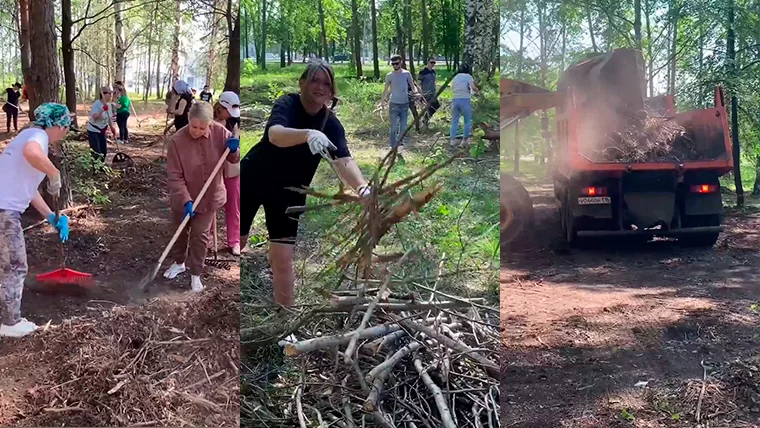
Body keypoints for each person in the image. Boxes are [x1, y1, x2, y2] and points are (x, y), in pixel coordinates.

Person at [240, 60, 371, 307]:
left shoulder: (330, 123)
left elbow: (343, 160)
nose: (320, 87)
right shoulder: (287, 104)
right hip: (253, 180)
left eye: (326, 83)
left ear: (332, 92)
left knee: (283, 259)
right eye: (314, 80)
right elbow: (275, 135)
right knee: (240, 239)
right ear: (302, 83)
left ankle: (285, 321)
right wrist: (307, 134)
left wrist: (362, 187)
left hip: (289, 194)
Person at [0, 103, 72, 337]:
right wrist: (54, 172)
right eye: (66, 128)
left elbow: (28, 189)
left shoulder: (26, 136)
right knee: (16, 265)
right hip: (4, 212)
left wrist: (51, 216)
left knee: (5, 265)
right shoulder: (37, 137)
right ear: (59, 126)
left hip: (5, 209)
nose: (65, 133)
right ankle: (10, 323)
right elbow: (32, 153)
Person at [164, 102, 240, 292]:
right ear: (188, 121)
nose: (197, 131)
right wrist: (185, 200)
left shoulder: (221, 133)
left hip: (209, 197)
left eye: (202, 127)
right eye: (193, 126)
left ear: (210, 124)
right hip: (184, 197)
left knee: (200, 235)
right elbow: (175, 176)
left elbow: (234, 159)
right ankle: (179, 262)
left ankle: (196, 273)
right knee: (180, 231)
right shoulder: (176, 141)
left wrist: (234, 150)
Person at [213, 91, 242, 255]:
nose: (231, 114)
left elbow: (236, 151)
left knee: (233, 206)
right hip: (213, 170)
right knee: (210, 204)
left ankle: (234, 241)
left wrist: (234, 146)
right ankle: (208, 236)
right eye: (228, 110)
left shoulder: (235, 124)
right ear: (220, 107)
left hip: (231, 171)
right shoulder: (209, 122)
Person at [381, 54, 417, 152]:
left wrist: (416, 94)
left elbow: (412, 85)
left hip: (404, 104)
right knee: (393, 127)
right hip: (394, 104)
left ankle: (399, 142)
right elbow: (385, 90)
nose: (395, 66)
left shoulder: (406, 74)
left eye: (396, 63)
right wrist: (382, 102)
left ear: (401, 62)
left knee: (403, 127)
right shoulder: (390, 75)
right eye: (393, 64)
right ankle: (393, 147)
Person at [449, 64, 479, 147]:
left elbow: (452, 87)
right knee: (467, 121)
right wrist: (477, 91)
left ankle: (452, 140)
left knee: (455, 120)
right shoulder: (468, 76)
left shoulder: (455, 77)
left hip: (455, 100)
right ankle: (464, 141)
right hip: (465, 100)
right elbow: (473, 87)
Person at [87, 86, 117, 164]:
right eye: (109, 93)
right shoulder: (97, 104)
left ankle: (101, 167)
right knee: (96, 151)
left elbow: (109, 118)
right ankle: (95, 169)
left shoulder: (109, 105)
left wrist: (112, 128)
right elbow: (95, 117)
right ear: (103, 94)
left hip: (102, 130)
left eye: (111, 93)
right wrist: (102, 110)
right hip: (93, 130)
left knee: (103, 151)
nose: (111, 95)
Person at [418, 57, 441, 130]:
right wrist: (420, 93)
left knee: (436, 106)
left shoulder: (433, 72)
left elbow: (434, 82)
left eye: (434, 63)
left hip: (433, 93)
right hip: (425, 93)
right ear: (428, 62)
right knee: (428, 108)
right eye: (431, 62)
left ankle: (426, 120)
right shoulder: (423, 72)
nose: (433, 64)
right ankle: (423, 122)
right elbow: (419, 83)